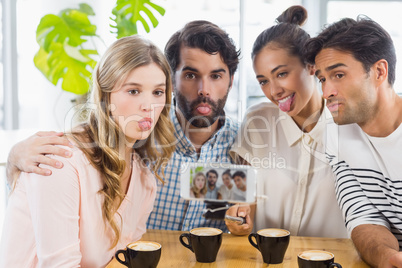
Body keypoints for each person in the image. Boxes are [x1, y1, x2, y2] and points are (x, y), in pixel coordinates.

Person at [6, 20, 240, 232]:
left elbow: (246, 211)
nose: (204, 89)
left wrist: (242, 220)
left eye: (216, 76)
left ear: (231, 81)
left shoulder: (243, 145)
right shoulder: (138, 131)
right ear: (171, 79)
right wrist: (15, 158)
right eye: (190, 75)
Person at [0, 35, 175, 267]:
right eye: (133, 91)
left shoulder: (144, 182)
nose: (148, 106)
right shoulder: (61, 161)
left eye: (158, 92)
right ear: (106, 96)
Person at [226, 5, 347, 238]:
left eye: (281, 74)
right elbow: (243, 197)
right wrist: (239, 215)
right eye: (263, 81)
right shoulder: (256, 121)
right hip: (265, 258)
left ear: (311, 66)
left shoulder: (348, 124)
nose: (274, 91)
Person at [304, 16, 402, 268]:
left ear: (379, 72)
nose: (326, 93)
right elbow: (363, 217)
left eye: (338, 74)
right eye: (323, 79)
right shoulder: (336, 135)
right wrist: (387, 258)